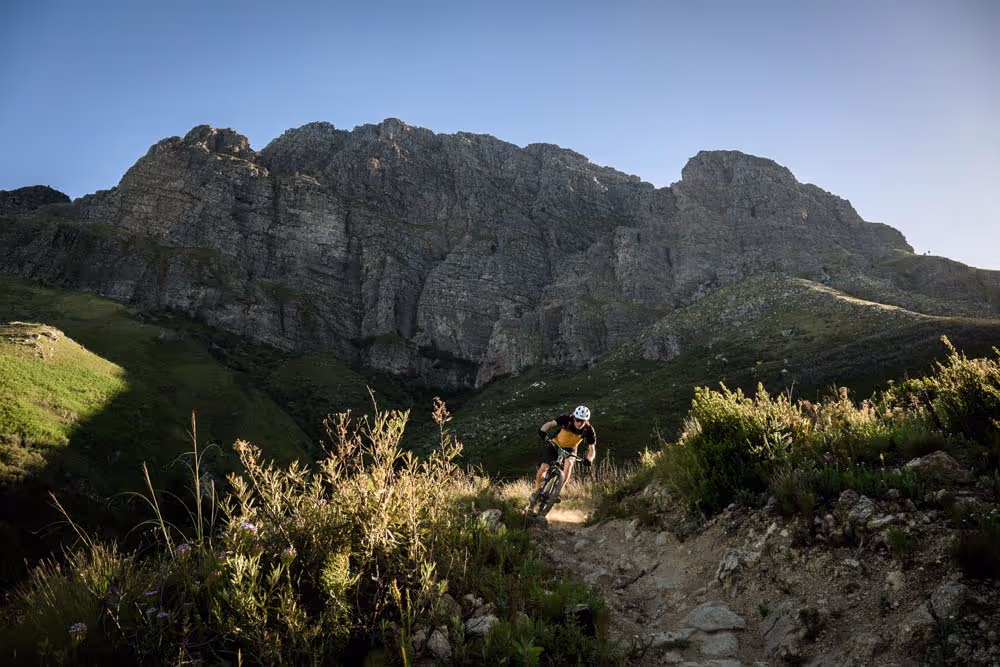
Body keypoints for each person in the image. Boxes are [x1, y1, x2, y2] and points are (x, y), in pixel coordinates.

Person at [528, 405, 596, 514]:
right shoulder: (566, 419)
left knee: (569, 464)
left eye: (583, 421)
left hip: (571, 449)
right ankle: (536, 489)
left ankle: (557, 491)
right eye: (578, 420)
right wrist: (543, 430)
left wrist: (589, 459)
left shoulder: (589, 430)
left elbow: (592, 449)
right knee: (544, 467)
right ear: (574, 417)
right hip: (556, 444)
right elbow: (550, 424)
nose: (580, 423)